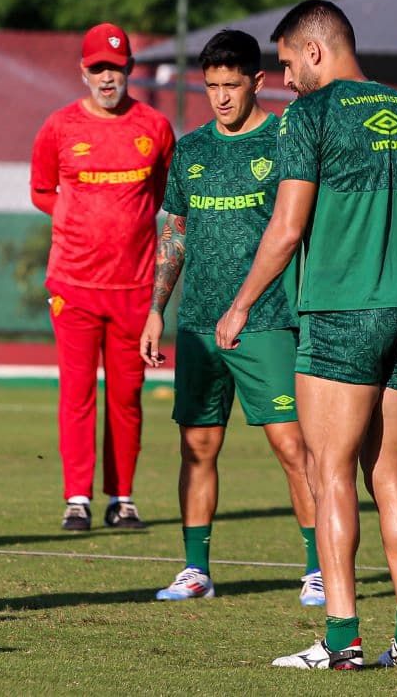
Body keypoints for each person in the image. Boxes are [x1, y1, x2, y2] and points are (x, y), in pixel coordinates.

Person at [214, 0, 397, 670]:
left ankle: (339, 641)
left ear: (315, 51)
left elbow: (287, 227)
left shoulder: (310, 115)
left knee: (329, 477)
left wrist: (240, 304)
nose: (282, 79)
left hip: (339, 315)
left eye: (285, 63)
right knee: (390, 476)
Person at [139, 30, 321, 606]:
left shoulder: (286, 141)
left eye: (231, 86)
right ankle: (195, 569)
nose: (220, 97)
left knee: (293, 447)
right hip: (196, 325)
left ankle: (319, 568)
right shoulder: (191, 149)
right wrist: (155, 310)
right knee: (197, 446)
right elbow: (174, 231)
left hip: (267, 321)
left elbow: (296, 231)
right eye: (211, 85)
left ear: (257, 82)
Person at [30, 22, 175, 532]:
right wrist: (74, 217)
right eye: (97, 68)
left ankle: (123, 498)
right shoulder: (59, 126)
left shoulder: (155, 127)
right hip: (73, 284)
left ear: (130, 69)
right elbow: (42, 191)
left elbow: (161, 195)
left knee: (127, 396)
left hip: (135, 289)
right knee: (77, 394)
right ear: (83, 72)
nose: (106, 77)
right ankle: (76, 499)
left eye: (114, 67)